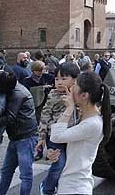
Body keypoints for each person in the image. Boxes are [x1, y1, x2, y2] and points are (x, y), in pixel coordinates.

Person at [0, 67, 38, 195]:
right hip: (17, 136)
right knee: (6, 171)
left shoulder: (17, 93)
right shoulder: (13, 89)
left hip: (25, 137)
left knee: (25, 174)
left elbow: (10, 118)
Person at [49, 71, 111, 195]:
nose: (71, 88)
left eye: (75, 85)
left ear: (84, 96)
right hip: (72, 183)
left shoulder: (92, 124)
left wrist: (69, 108)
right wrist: (57, 153)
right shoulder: (86, 117)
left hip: (75, 187)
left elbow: (55, 136)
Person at [37, 62, 80, 195]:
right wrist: (42, 138)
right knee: (58, 163)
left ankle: (60, 187)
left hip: (72, 136)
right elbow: (45, 115)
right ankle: (47, 188)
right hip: (54, 137)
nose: (59, 82)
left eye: (64, 79)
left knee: (69, 165)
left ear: (75, 80)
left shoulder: (79, 95)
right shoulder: (53, 95)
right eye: (57, 79)